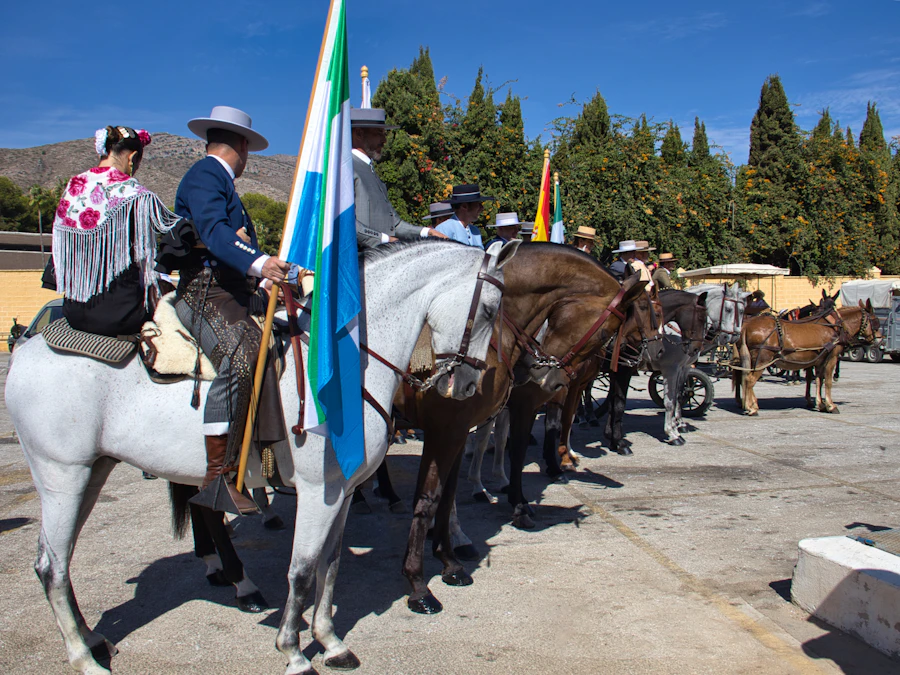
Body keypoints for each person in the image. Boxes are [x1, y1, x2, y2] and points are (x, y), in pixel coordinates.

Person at [173, 106, 291, 515]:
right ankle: (218, 476)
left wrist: (260, 276)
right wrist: (259, 262)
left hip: (231, 288)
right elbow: (214, 231)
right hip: (204, 293)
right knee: (242, 357)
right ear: (242, 146)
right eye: (248, 150)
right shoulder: (206, 175)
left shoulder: (225, 185)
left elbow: (228, 242)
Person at [49, 126, 180, 337]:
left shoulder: (74, 187)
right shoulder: (136, 195)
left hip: (74, 310)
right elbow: (151, 251)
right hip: (121, 314)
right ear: (133, 157)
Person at [351, 108, 446, 248]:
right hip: (360, 264)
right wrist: (385, 239)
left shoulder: (371, 171)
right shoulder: (346, 169)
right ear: (359, 133)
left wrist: (427, 232)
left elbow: (395, 224)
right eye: (379, 134)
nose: (384, 140)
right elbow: (345, 222)